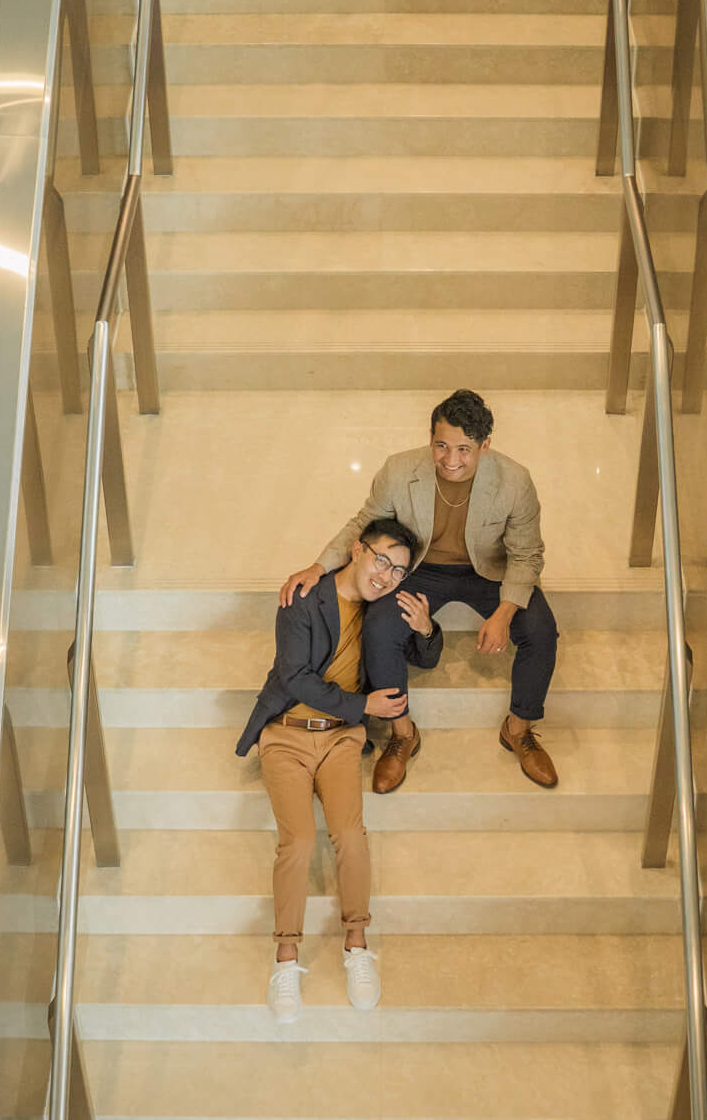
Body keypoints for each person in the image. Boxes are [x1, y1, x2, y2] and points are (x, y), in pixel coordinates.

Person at [278, 389, 559, 792]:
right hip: (421, 569)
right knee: (379, 628)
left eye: (464, 449)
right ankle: (402, 733)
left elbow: (528, 555)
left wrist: (504, 612)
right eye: (441, 445)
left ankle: (519, 728)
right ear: (430, 438)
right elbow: (364, 525)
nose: (450, 460)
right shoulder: (399, 470)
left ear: (485, 446)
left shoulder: (515, 480)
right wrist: (319, 566)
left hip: (489, 572)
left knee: (541, 630)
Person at [237, 516, 442, 1023]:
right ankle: (286, 959)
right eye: (381, 560)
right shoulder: (305, 595)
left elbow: (422, 657)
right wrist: (363, 705)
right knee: (299, 841)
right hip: (286, 733)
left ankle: (357, 946)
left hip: (341, 739)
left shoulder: (382, 611)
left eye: (398, 570)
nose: (386, 576)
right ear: (357, 550)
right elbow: (294, 675)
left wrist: (426, 629)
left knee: (350, 835)